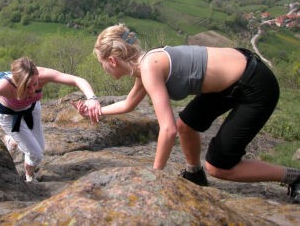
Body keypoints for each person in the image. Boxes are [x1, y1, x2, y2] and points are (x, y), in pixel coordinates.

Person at [74, 23, 300, 203]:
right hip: (236, 79)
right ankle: (194, 173)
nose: (103, 67)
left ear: (112, 61)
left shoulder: (149, 67)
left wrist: (155, 177)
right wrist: (97, 110)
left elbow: (167, 130)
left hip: (255, 86)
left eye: (102, 63)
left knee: (219, 167)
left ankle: (294, 176)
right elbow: (129, 104)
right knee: (186, 125)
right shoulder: (146, 65)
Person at [0, 57, 101, 183]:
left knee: (40, 147)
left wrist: (92, 98)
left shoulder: (43, 75)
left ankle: (12, 140)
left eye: (35, 84)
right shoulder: (4, 86)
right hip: (8, 114)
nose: (32, 90)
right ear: (16, 82)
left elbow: (77, 80)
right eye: (26, 87)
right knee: (35, 154)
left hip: (31, 108)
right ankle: (29, 177)